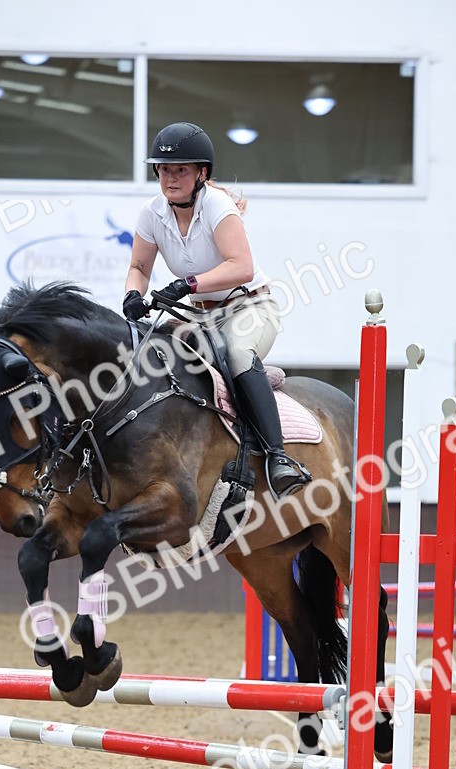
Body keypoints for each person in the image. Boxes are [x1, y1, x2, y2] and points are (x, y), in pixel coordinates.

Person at [122, 121, 307, 498]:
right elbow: (139, 268)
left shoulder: (217, 206)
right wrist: (131, 295)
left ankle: (278, 458)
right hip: (201, 316)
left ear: (201, 173)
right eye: (164, 170)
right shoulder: (151, 213)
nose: (170, 178)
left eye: (180, 171)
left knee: (238, 353)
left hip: (249, 308)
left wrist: (186, 284)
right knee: (158, 356)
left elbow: (241, 266)